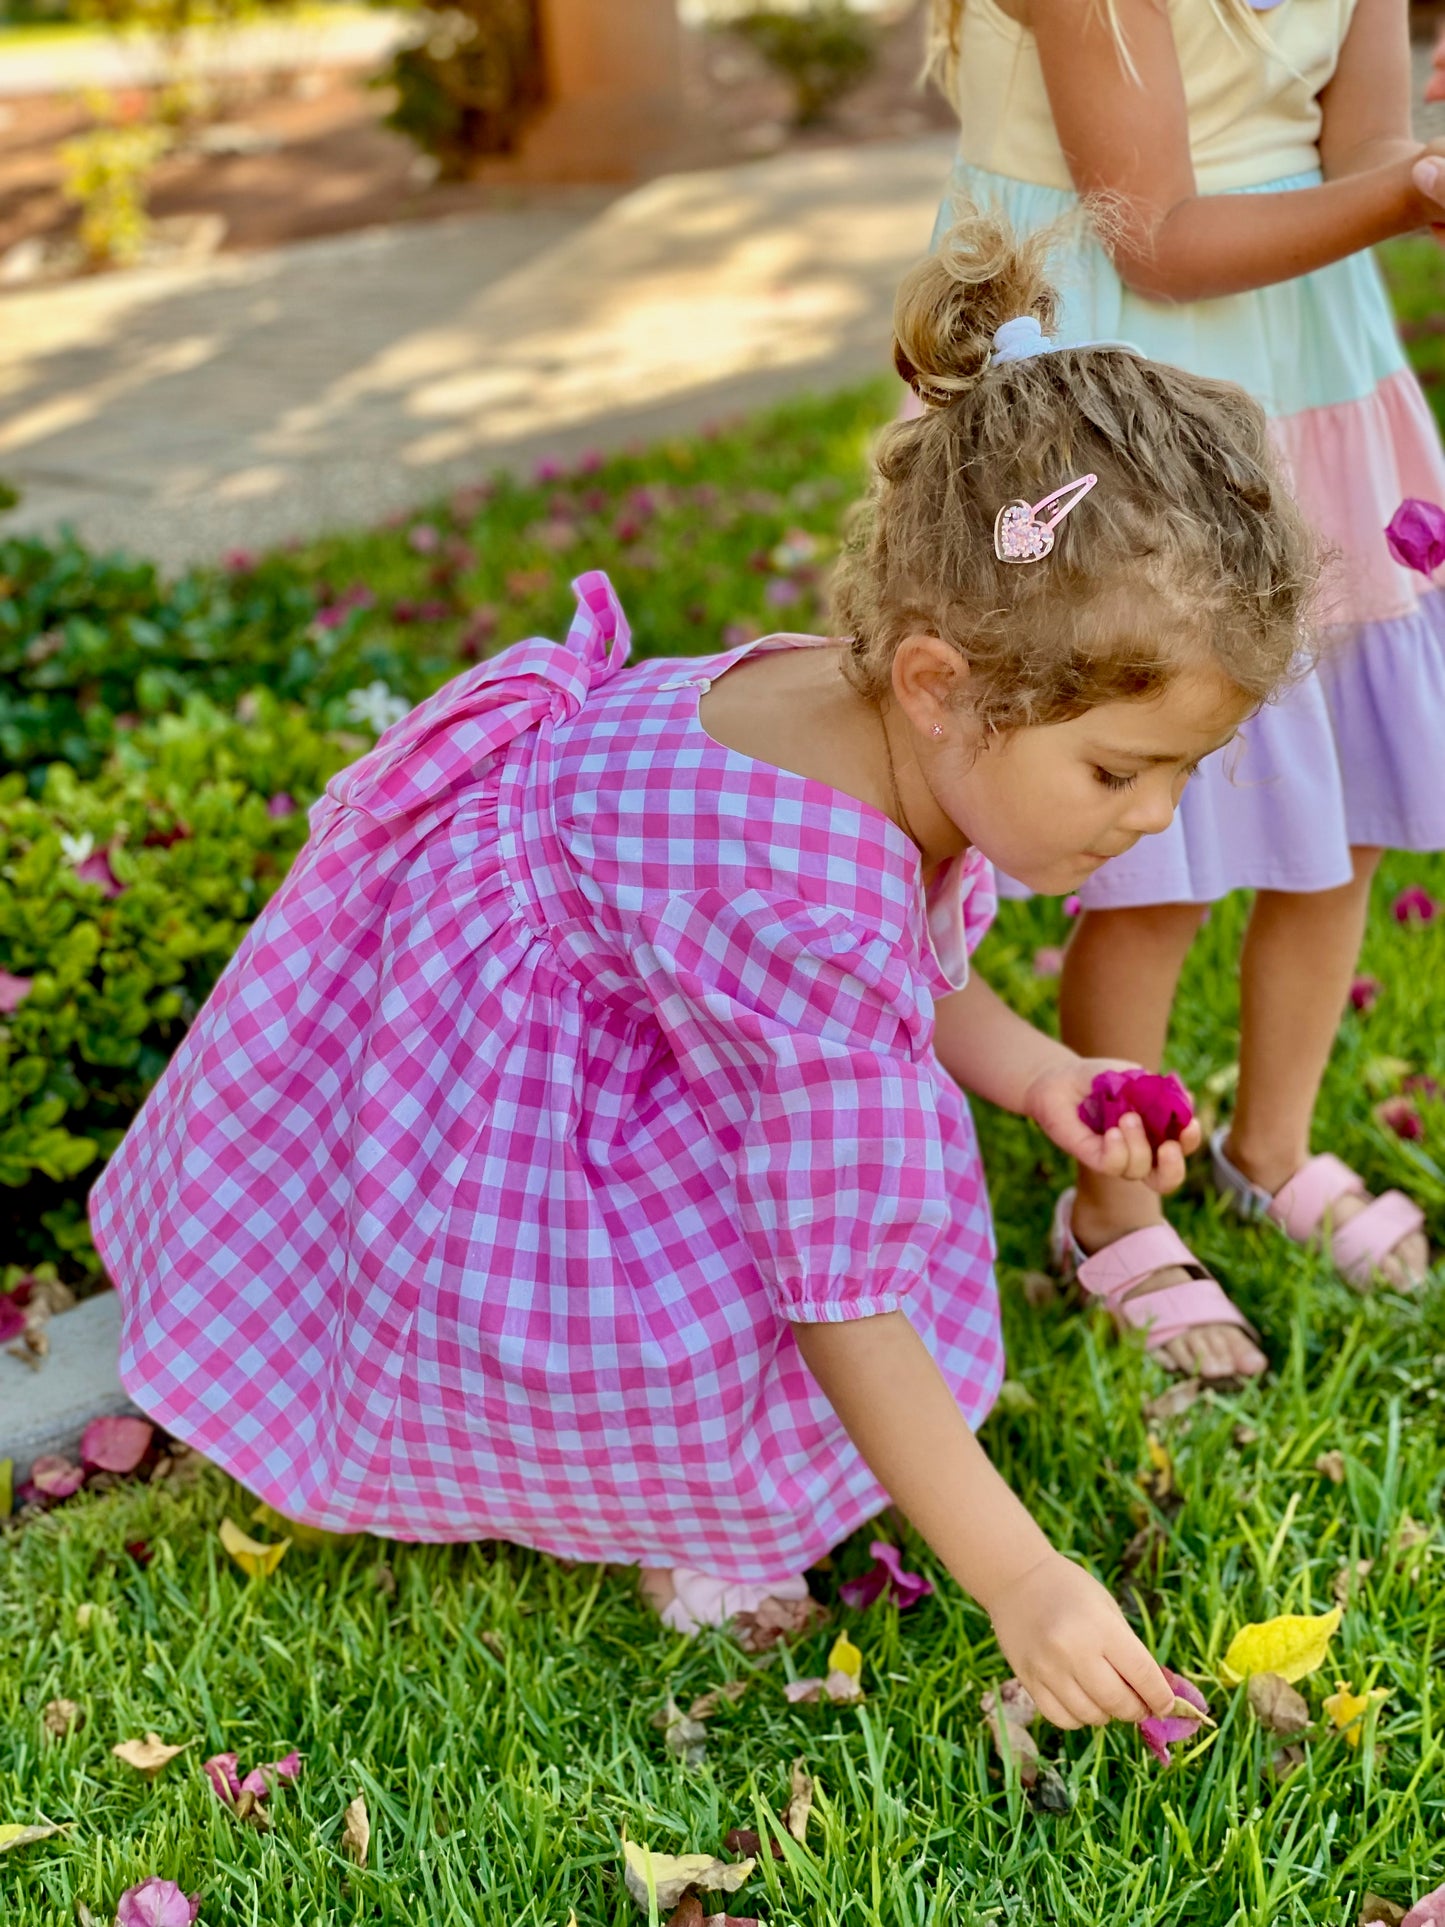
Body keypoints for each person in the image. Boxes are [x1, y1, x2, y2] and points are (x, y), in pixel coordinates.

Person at [90, 211, 1314, 1732]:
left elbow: (915, 975)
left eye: (1179, 774)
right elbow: (842, 1297)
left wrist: (1039, 1073)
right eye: (1123, 770)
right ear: (939, 685)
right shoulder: (804, 906)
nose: (1151, 819)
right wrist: (1019, 1576)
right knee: (669, 1336)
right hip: (528, 1095)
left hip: (592, 993)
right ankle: (701, 1528)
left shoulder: (862, 711)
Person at [925, 0, 1445, 1383]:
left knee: (1343, 800)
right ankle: (1113, 1204)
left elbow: (1366, 145)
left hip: (1307, 364)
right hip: (1118, 373)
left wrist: (1408, 177)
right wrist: (1400, 196)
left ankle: (1269, 1142)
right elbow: (1153, 240)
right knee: (1145, 830)